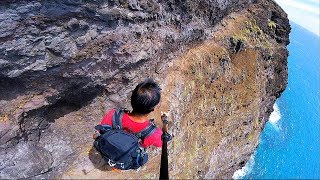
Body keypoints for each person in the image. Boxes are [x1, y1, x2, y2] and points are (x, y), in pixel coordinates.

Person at [98, 78, 163, 148]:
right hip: (129, 157)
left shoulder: (114, 115)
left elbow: (99, 132)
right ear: (153, 109)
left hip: (112, 152)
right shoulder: (154, 133)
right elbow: (161, 144)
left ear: (132, 99)